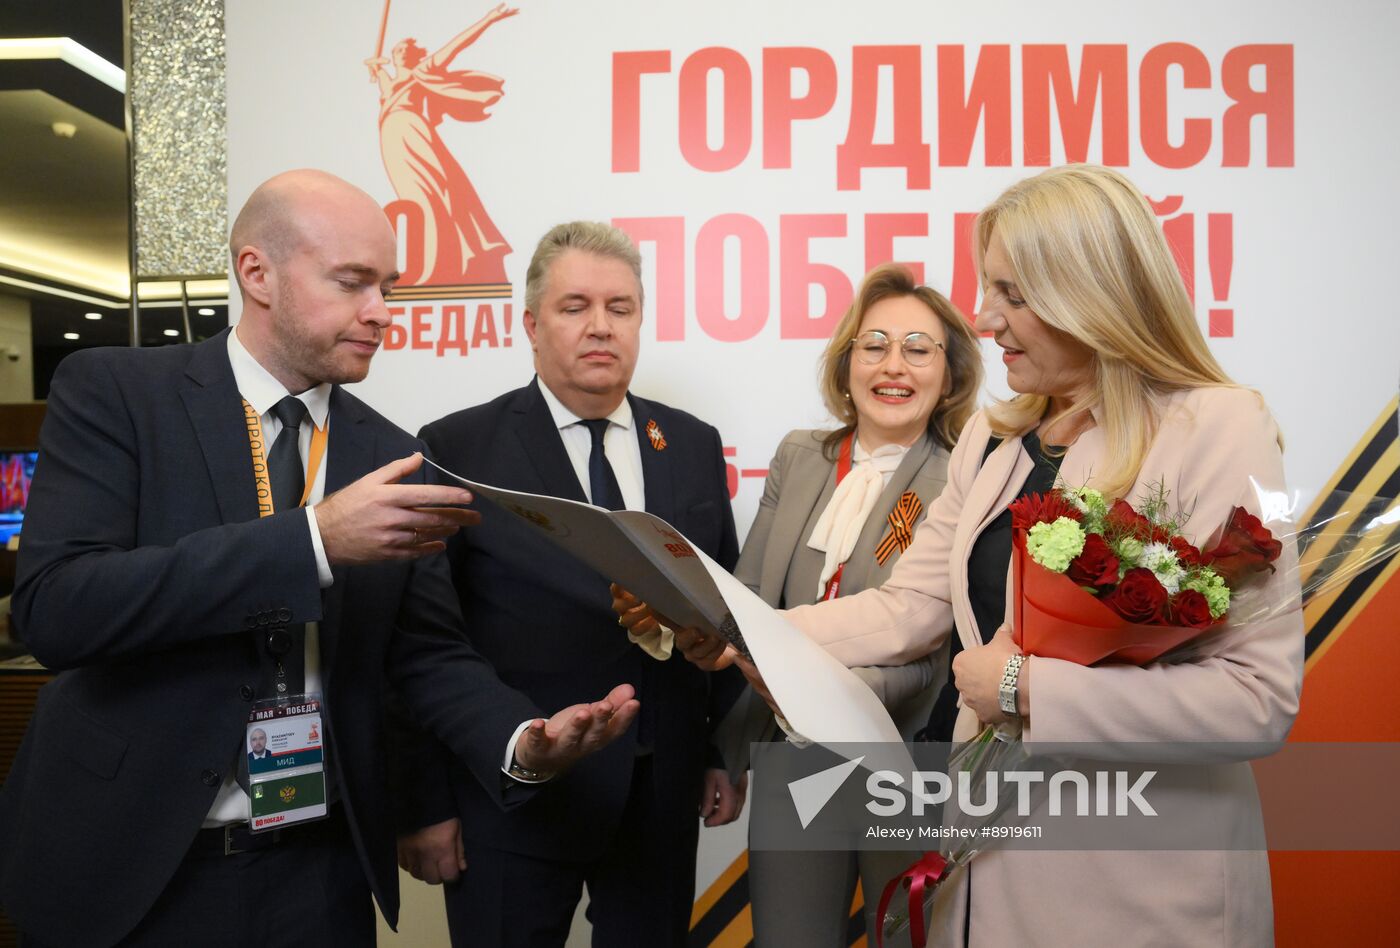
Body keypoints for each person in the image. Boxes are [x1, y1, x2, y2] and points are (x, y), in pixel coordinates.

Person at [646, 164, 1303, 946]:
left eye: (1013, 294)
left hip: (1140, 883)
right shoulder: (996, 439)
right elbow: (910, 608)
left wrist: (1027, 689)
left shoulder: (1219, 426)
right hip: (989, 866)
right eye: (989, 290)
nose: (986, 319)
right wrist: (739, 626)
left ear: (1094, 288)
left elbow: (1254, 702)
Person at [0, 170, 637, 948]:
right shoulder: (118, 394)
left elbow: (427, 655)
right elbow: (59, 609)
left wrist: (521, 739)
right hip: (131, 868)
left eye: (388, 287)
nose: (381, 312)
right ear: (256, 273)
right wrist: (313, 541)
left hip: (317, 873)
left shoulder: (393, 452)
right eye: (352, 282)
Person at [392, 221, 746, 947]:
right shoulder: (455, 448)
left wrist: (714, 751)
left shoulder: (692, 443)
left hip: (660, 795)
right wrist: (423, 803)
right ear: (529, 322)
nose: (600, 327)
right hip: (516, 798)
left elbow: (722, 608)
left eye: (620, 308)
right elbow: (421, 640)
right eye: (574, 306)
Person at [712, 263, 982, 946]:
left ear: (948, 375)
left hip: (905, 757)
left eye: (918, 349)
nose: (894, 366)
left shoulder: (967, 474)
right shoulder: (800, 456)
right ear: (847, 363)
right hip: (789, 753)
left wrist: (819, 693)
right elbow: (746, 604)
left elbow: (931, 640)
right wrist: (729, 745)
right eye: (875, 346)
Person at [365, 3, 517, 285]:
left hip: (413, 131)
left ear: (410, 55)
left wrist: (487, 19)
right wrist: (376, 68)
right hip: (393, 138)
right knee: (411, 194)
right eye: (395, 51)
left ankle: (443, 265)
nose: (397, 54)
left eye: (402, 50)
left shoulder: (423, 70)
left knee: (433, 193)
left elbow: (456, 45)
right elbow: (383, 84)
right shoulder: (390, 84)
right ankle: (428, 264)